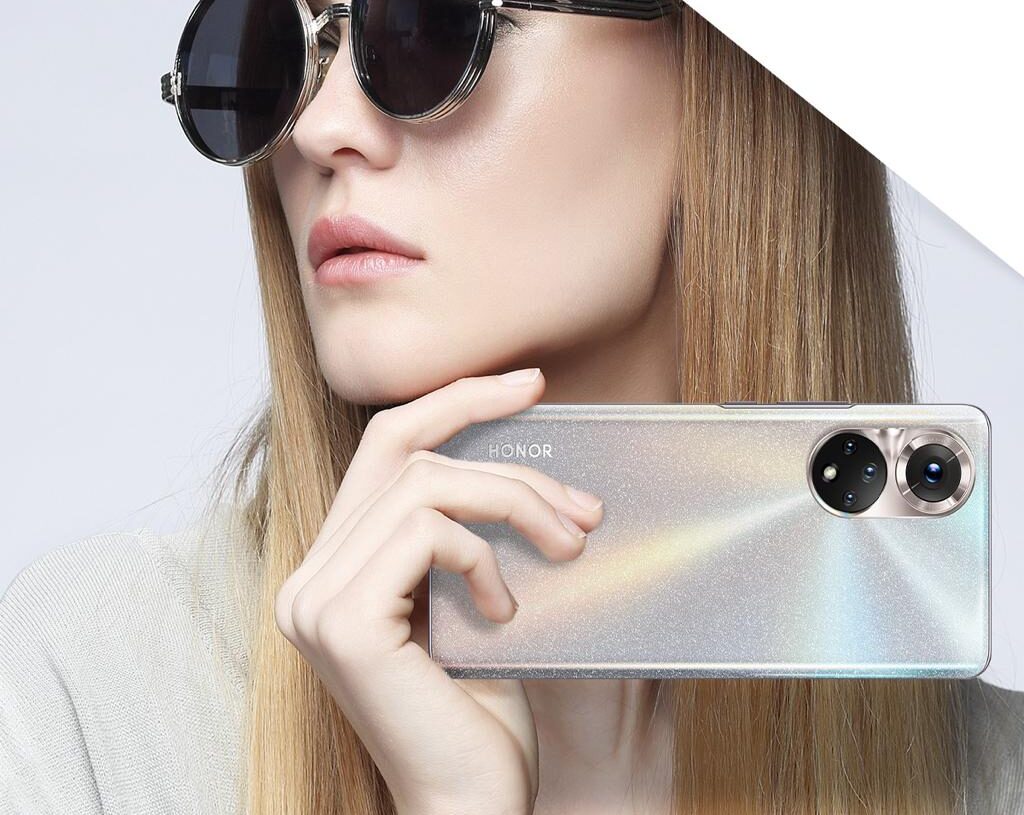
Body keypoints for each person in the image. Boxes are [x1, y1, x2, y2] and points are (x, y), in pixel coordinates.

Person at [3, 1, 1023, 813]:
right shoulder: (87, 697)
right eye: (283, 44)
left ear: (722, 67)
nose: (317, 128)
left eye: (426, 24)